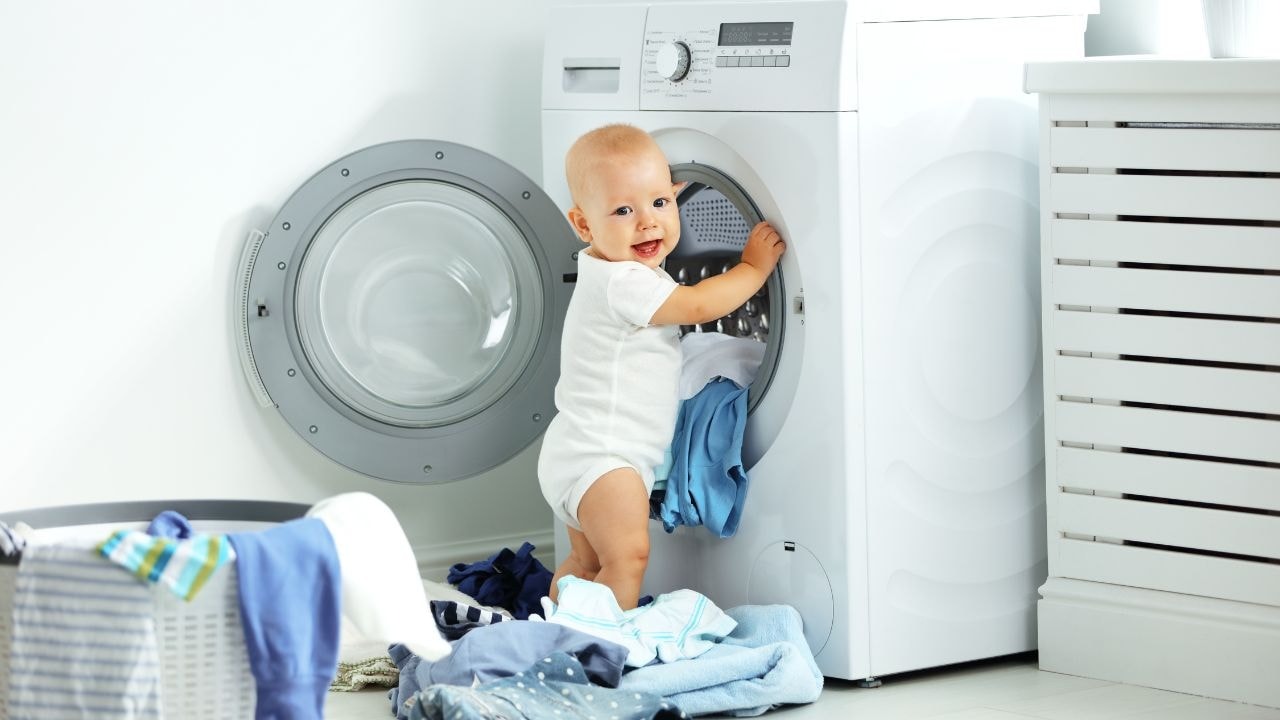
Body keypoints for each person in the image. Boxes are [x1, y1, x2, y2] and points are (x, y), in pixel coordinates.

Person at [537, 123, 785, 611]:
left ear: (676, 197)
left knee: (586, 567)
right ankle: (611, 648)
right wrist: (753, 270)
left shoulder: (603, 270)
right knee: (628, 559)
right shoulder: (625, 282)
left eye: (659, 203)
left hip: (574, 454)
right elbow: (694, 307)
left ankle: (562, 635)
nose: (647, 222)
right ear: (584, 225)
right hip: (607, 462)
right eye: (624, 210)